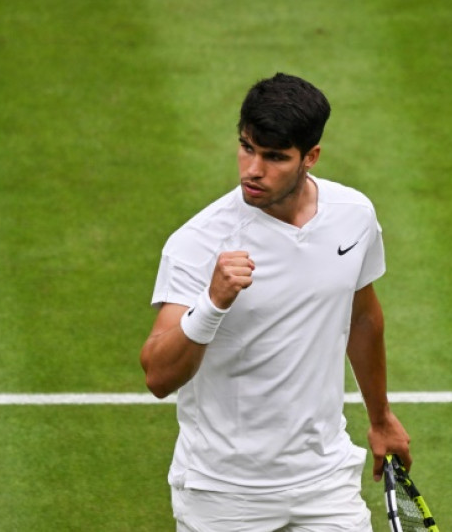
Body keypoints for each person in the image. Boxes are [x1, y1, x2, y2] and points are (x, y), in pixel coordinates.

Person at [140, 72, 411, 531]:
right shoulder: (198, 242)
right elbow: (158, 375)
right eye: (247, 147)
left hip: (325, 482)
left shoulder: (354, 217)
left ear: (311, 157)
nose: (253, 170)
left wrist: (381, 417)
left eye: (275, 157)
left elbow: (362, 318)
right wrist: (212, 302)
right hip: (223, 495)